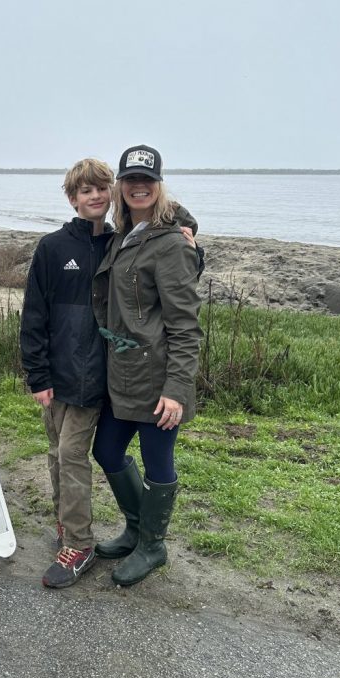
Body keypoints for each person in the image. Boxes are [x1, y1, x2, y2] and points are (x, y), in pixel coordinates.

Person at [92, 145, 202, 587]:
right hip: (121, 371)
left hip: (158, 375)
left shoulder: (172, 243)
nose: (138, 186)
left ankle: (153, 546)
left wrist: (176, 388)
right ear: (121, 186)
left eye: (148, 180)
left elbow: (185, 325)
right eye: (130, 179)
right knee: (106, 451)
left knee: (159, 461)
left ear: (160, 187)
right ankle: (138, 529)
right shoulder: (124, 234)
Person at [20, 158, 115, 588]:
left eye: (101, 188)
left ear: (111, 192)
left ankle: (80, 542)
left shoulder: (123, 244)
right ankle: (66, 524)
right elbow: (34, 315)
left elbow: (172, 244)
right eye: (86, 190)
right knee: (57, 453)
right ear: (73, 198)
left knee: (73, 454)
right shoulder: (53, 248)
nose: (95, 196)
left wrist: (190, 235)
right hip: (56, 375)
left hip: (97, 377)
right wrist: (38, 376)